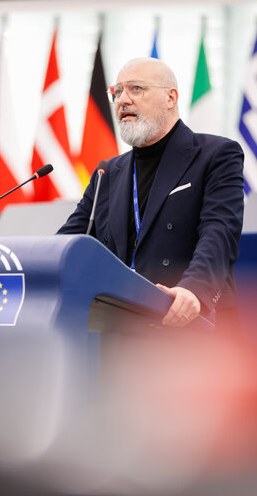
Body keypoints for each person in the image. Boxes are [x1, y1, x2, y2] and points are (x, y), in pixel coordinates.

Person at [58, 57, 244, 331]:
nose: (122, 100)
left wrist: (193, 290)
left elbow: (219, 232)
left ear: (171, 98)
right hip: (121, 330)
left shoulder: (216, 155)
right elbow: (67, 242)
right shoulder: (107, 173)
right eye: (117, 92)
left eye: (136, 89)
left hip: (191, 326)